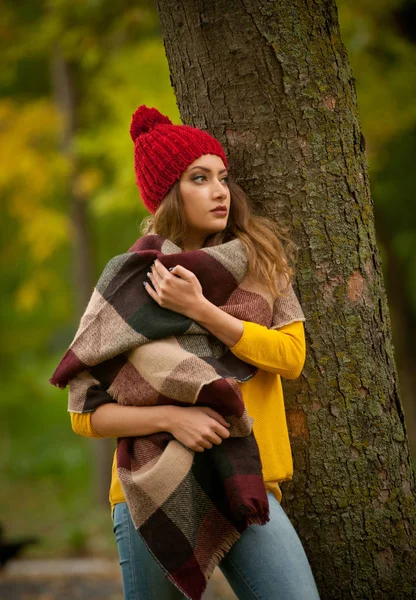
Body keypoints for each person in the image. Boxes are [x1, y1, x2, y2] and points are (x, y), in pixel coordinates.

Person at [69, 105, 320, 600]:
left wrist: (203, 310)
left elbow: (290, 358)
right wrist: (170, 418)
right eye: (199, 178)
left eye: (222, 177)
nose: (220, 190)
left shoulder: (261, 261)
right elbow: (83, 412)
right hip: (150, 492)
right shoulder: (129, 282)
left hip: (246, 483)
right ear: (169, 195)